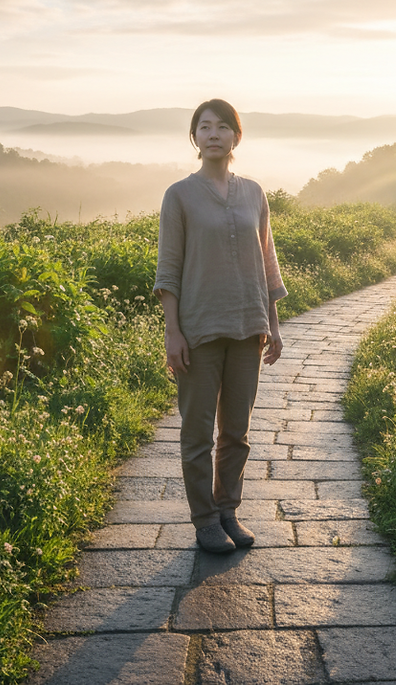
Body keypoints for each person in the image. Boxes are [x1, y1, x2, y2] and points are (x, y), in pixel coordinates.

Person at [153, 99, 286, 553]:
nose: (213, 134)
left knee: (236, 433)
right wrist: (173, 331)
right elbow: (168, 269)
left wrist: (274, 321)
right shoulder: (179, 195)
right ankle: (204, 520)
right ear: (195, 137)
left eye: (222, 127)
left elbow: (267, 260)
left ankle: (228, 509)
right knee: (197, 433)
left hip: (249, 326)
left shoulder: (254, 193)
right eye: (204, 126)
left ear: (236, 137)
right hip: (199, 330)